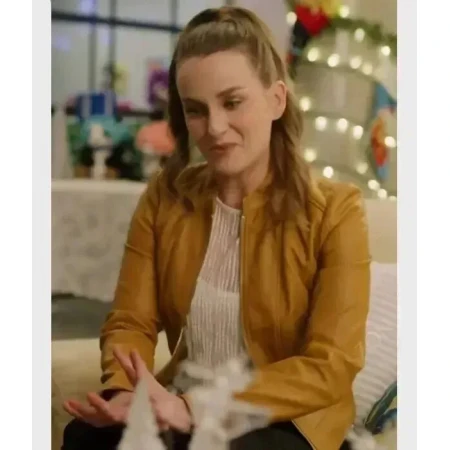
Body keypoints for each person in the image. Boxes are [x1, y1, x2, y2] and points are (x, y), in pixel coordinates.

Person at [62, 6, 370, 450]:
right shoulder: (165, 197)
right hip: (182, 402)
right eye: (196, 110)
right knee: (87, 437)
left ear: (277, 99)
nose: (215, 128)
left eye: (232, 102)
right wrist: (127, 390)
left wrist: (196, 408)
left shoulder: (337, 211)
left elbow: (331, 365)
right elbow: (131, 321)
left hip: (285, 420)